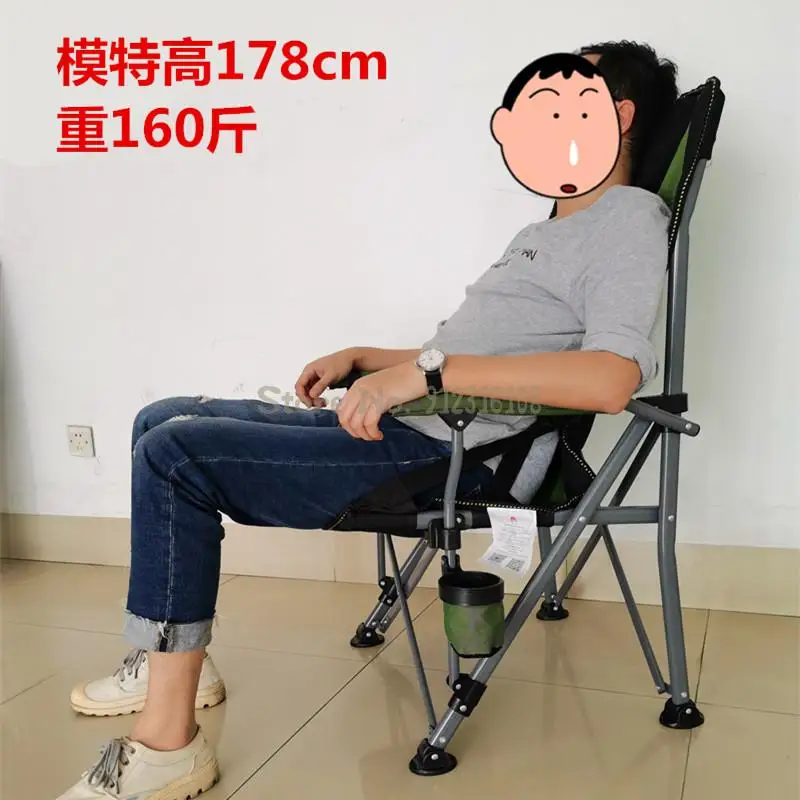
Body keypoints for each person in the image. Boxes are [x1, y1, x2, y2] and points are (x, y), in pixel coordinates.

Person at [59, 40, 679, 800]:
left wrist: (429, 374)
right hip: (417, 422)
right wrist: (367, 357)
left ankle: (168, 745)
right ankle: (172, 659)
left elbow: (613, 378)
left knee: (175, 456)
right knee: (162, 418)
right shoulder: (544, 231)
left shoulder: (628, 219)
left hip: (457, 456)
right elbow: (464, 354)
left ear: (619, 115)